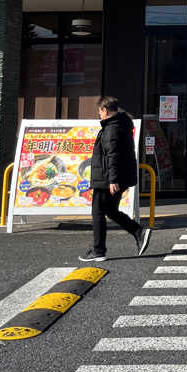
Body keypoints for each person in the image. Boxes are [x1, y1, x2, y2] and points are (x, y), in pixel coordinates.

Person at [79, 96, 151, 262]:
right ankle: (138, 232)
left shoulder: (112, 128)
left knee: (98, 212)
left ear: (105, 110)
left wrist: (113, 179)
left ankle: (98, 250)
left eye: (100, 112)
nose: (99, 115)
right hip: (112, 176)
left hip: (107, 178)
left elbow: (113, 155)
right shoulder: (120, 125)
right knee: (110, 210)